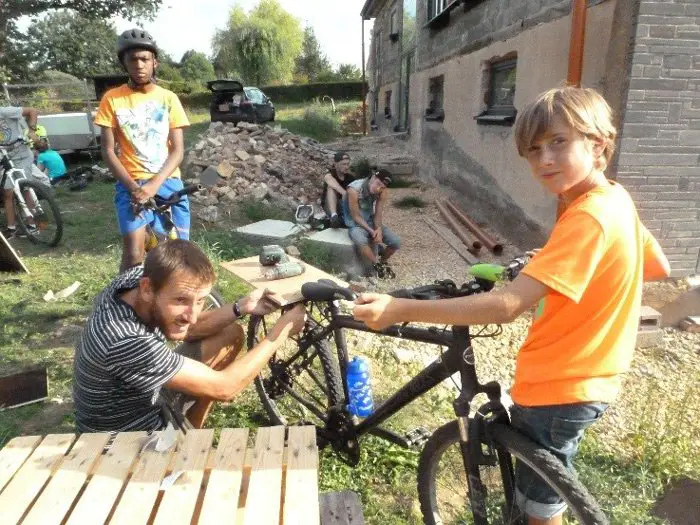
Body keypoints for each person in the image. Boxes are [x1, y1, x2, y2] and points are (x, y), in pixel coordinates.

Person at [353, 86, 670, 525]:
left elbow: (505, 306)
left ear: (598, 145)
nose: (544, 160)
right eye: (533, 150)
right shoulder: (614, 200)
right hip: (591, 375)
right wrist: (556, 268)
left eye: (559, 142)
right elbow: (656, 264)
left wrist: (398, 308)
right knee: (539, 497)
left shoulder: (587, 217)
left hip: (559, 385)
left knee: (538, 513)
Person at [73, 239, 306, 433]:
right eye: (181, 300)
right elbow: (225, 388)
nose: (193, 316)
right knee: (213, 383)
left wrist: (240, 307)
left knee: (230, 333)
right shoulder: (125, 340)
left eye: (201, 300)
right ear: (147, 289)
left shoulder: (132, 282)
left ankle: (191, 431)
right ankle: (183, 445)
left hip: (135, 396)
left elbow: (189, 331)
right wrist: (282, 331)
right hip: (122, 441)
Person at [95, 28, 190, 273]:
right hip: (132, 184)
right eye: (133, 59)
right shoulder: (112, 99)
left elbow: (178, 151)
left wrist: (153, 186)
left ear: (155, 62)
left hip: (167, 182)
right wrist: (136, 189)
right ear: (124, 63)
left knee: (176, 253)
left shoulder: (168, 98)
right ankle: (121, 303)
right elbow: (107, 151)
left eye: (145, 59)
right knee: (134, 253)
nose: (139, 64)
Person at [342, 168, 401, 278]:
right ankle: (377, 265)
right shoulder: (354, 189)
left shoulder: (382, 191)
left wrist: (378, 229)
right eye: (378, 184)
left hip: (370, 220)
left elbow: (378, 213)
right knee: (360, 240)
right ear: (373, 177)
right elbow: (355, 216)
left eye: (382, 187)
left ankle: (383, 261)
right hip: (355, 223)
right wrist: (371, 231)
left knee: (395, 242)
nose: (378, 188)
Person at [0, 105, 40, 238]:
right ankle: (12, 228)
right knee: (8, 193)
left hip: (21, 153)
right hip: (3, 156)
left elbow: (32, 110)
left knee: (25, 187)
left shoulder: (5, 111)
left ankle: (32, 224)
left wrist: (32, 130)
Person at [323, 151, 355, 228]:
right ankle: (334, 216)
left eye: (347, 164)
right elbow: (328, 179)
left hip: (344, 205)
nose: (347, 167)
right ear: (335, 164)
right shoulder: (330, 175)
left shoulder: (350, 178)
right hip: (331, 206)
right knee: (331, 187)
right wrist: (345, 193)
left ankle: (340, 220)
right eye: (343, 164)